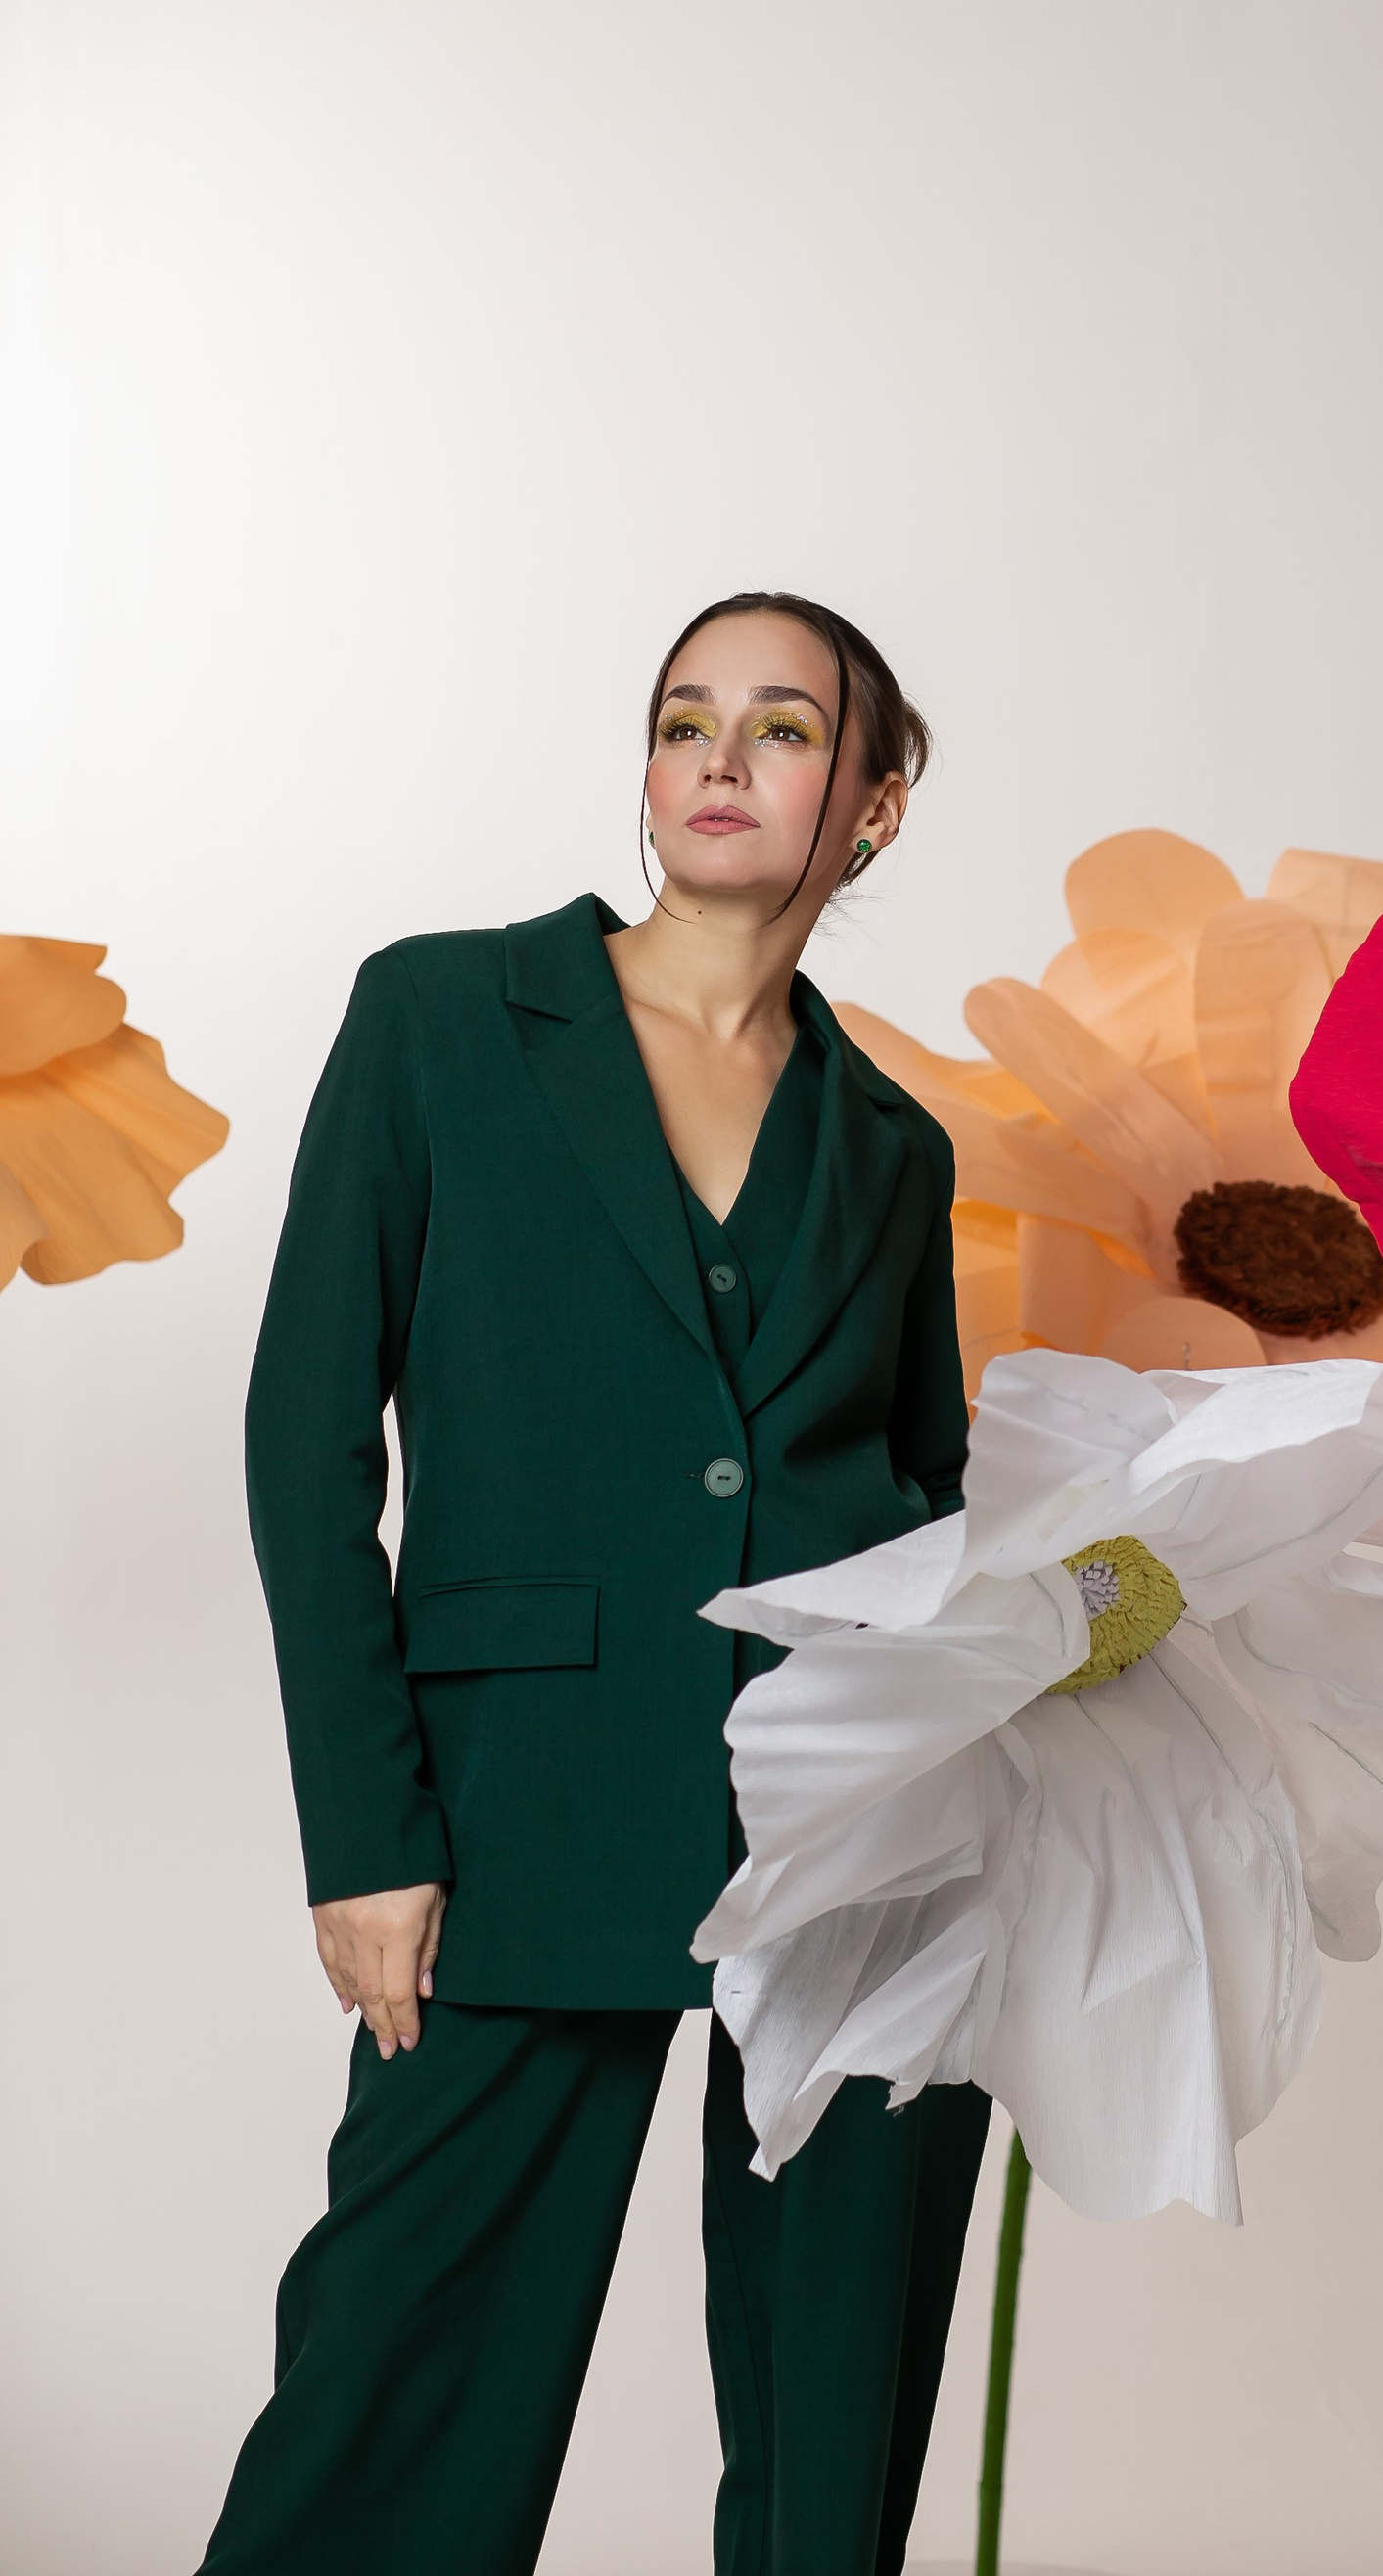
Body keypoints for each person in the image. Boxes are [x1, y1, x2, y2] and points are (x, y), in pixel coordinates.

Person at [198, 593, 991, 2576]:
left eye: (785, 727)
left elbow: (930, 1492)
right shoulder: (441, 1020)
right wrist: (365, 1835)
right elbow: (307, 1443)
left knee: (835, 2417)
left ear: (874, 806)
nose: (721, 756)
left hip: (864, 1834)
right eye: (685, 717)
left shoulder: (892, 1145)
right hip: (517, 1814)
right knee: (401, 2390)